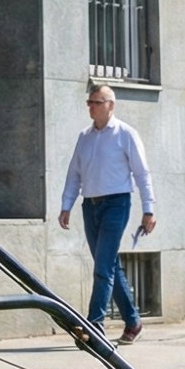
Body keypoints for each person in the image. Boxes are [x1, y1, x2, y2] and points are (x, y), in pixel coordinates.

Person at [58, 85, 155, 345]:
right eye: (89, 102)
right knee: (109, 265)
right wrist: (66, 205)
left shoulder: (126, 134)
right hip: (90, 205)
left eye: (96, 102)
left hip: (117, 204)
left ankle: (94, 325)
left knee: (102, 267)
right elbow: (74, 174)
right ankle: (133, 321)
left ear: (110, 105)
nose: (91, 106)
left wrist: (149, 209)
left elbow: (142, 174)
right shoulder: (85, 137)